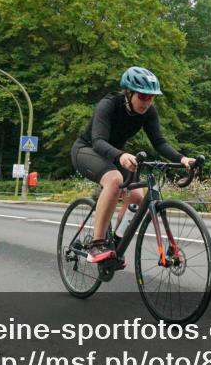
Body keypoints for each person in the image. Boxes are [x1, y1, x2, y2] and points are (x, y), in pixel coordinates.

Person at [71, 67, 195, 266]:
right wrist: (120, 155)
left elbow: (159, 142)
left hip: (113, 156)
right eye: (143, 96)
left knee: (137, 197)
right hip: (87, 150)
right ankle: (97, 243)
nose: (147, 102)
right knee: (114, 180)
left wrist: (182, 160)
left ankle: (116, 245)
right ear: (128, 92)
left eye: (152, 97)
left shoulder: (149, 111)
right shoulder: (109, 105)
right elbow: (98, 141)